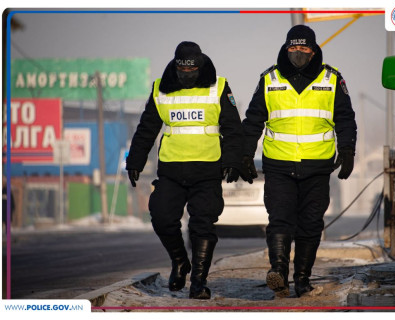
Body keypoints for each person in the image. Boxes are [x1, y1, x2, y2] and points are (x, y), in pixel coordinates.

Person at [242, 25, 357, 298]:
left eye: (304, 48)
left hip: (317, 167)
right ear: (285, 48)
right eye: (293, 48)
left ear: (314, 49)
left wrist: (348, 150)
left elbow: (345, 119)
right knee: (280, 219)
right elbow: (253, 119)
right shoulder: (269, 79)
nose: (298, 53)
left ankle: (302, 279)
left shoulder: (332, 79)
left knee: (310, 224)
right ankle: (278, 272)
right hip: (278, 164)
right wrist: (245, 154)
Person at [126, 41, 245, 299]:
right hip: (171, 171)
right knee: (161, 217)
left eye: (191, 70)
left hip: (207, 170)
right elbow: (147, 128)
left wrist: (233, 160)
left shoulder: (219, 87)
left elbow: (233, 128)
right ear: (176, 66)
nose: (187, 74)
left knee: (203, 226)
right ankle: (180, 262)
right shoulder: (161, 89)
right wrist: (135, 160)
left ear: (199, 66)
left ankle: (199, 282)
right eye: (182, 69)